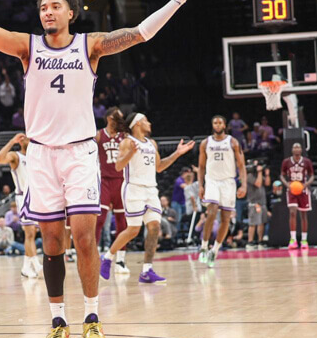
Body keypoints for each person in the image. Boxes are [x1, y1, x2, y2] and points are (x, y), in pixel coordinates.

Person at [0, 0, 197, 338]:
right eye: (42, 7)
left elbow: (140, 33)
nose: (47, 11)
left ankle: (91, 317)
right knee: (52, 242)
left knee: (85, 237)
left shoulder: (91, 46)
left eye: (54, 6)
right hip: (41, 156)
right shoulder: (27, 47)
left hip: (80, 154)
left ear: (71, 11)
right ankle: (57, 321)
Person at [101, 112, 194, 283]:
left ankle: (147, 270)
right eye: (145, 120)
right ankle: (107, 257)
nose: (149, 123)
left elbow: (159, 167)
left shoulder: (152, 144)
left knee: (154, 227)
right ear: (137, 124)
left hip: (151, 190)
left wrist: (177, 154)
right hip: (134, 188)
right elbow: (118, 166)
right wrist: (130, 154)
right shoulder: (127, 142)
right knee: (133, 230)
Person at [197, 116, 247, 268]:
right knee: (211, 212)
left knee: (225, 219)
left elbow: (241, 165)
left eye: (220, 122)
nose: (217, 125)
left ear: (225, 125)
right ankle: (204, 246)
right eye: (215, 123)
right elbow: (201, 166)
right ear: (212, 125)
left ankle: (215, 250)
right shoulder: (205, 143)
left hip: (228, 182)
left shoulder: (233, 142)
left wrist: (243, 185)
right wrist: (200, 185)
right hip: (212, 180)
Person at [0, 132, 41, 278]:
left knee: (33, 234)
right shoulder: (16, 156)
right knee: (29, 234)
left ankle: (26, 267)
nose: (30, 140)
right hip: (23, 198)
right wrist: (11, 142)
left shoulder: (36, 157)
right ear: (21, 141)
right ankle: (37, 265)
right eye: (27, 138)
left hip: (37, 198)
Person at [94, 107, 130, 273]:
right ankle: (92, 255)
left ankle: (120, 260)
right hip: (105, 181)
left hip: (121, 181)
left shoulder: (125, 137)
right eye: (118, 117)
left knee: (122, 221)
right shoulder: (99, 134)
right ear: (109, 118)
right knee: (99, 219)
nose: (121, 121)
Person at [280, 143, 315, 250]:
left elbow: (312, 175)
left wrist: (305, 185)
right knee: (292, 212)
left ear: (301, 150)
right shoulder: (286, 162)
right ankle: (293, 239)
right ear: (291, 150)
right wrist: (287, 185)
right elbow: (282, 175)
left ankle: (304, 240)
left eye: (298, 147)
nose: (296, 149)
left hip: (303, 190)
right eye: (294, 147)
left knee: (303, 215)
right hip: (291, 190)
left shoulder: (306, 161)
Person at [245, 162, 267, 250]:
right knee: (253, 223)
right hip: (254, 203)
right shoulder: (249, 176)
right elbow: (258, 184)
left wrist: (267, 174)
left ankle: (260, 241)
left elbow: (267, 183)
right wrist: (260, 172)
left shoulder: (258, 175)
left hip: (262, 203)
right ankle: (250, 242)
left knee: (261, 223)